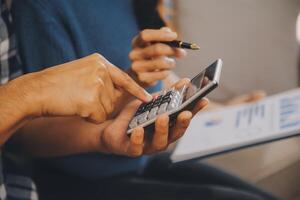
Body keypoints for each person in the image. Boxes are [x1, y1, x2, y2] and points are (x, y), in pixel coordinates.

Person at [10, 1, 281, 200]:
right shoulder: (42, 9)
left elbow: (154, 81)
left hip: (136, 159)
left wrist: (225, 111)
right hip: (79, 177)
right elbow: (38, 131)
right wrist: (128, 90)